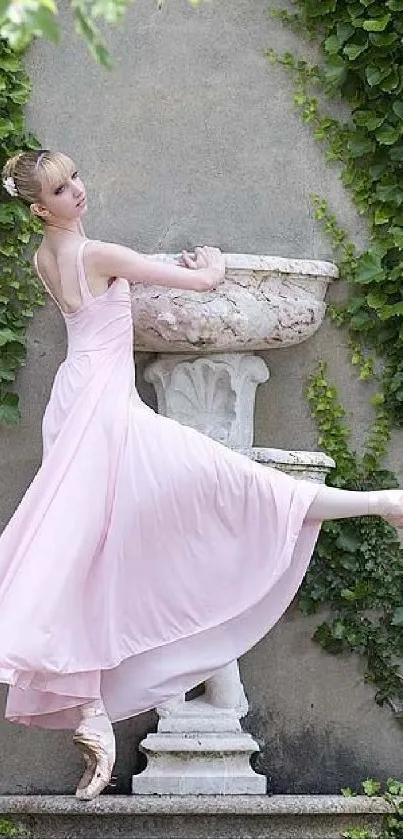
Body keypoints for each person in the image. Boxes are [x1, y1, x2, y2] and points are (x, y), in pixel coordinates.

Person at [0, 148, 402, 801]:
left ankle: (89, 711)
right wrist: (208, 260)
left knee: (86, 551)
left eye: (74, 178)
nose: (77, 190)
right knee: (229, 489)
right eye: (60, 188)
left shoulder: (43, 257)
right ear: (39, 206)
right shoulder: (94, 252)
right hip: (104, 415)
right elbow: (203, 284)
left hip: (78, 404)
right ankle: (380, 501)